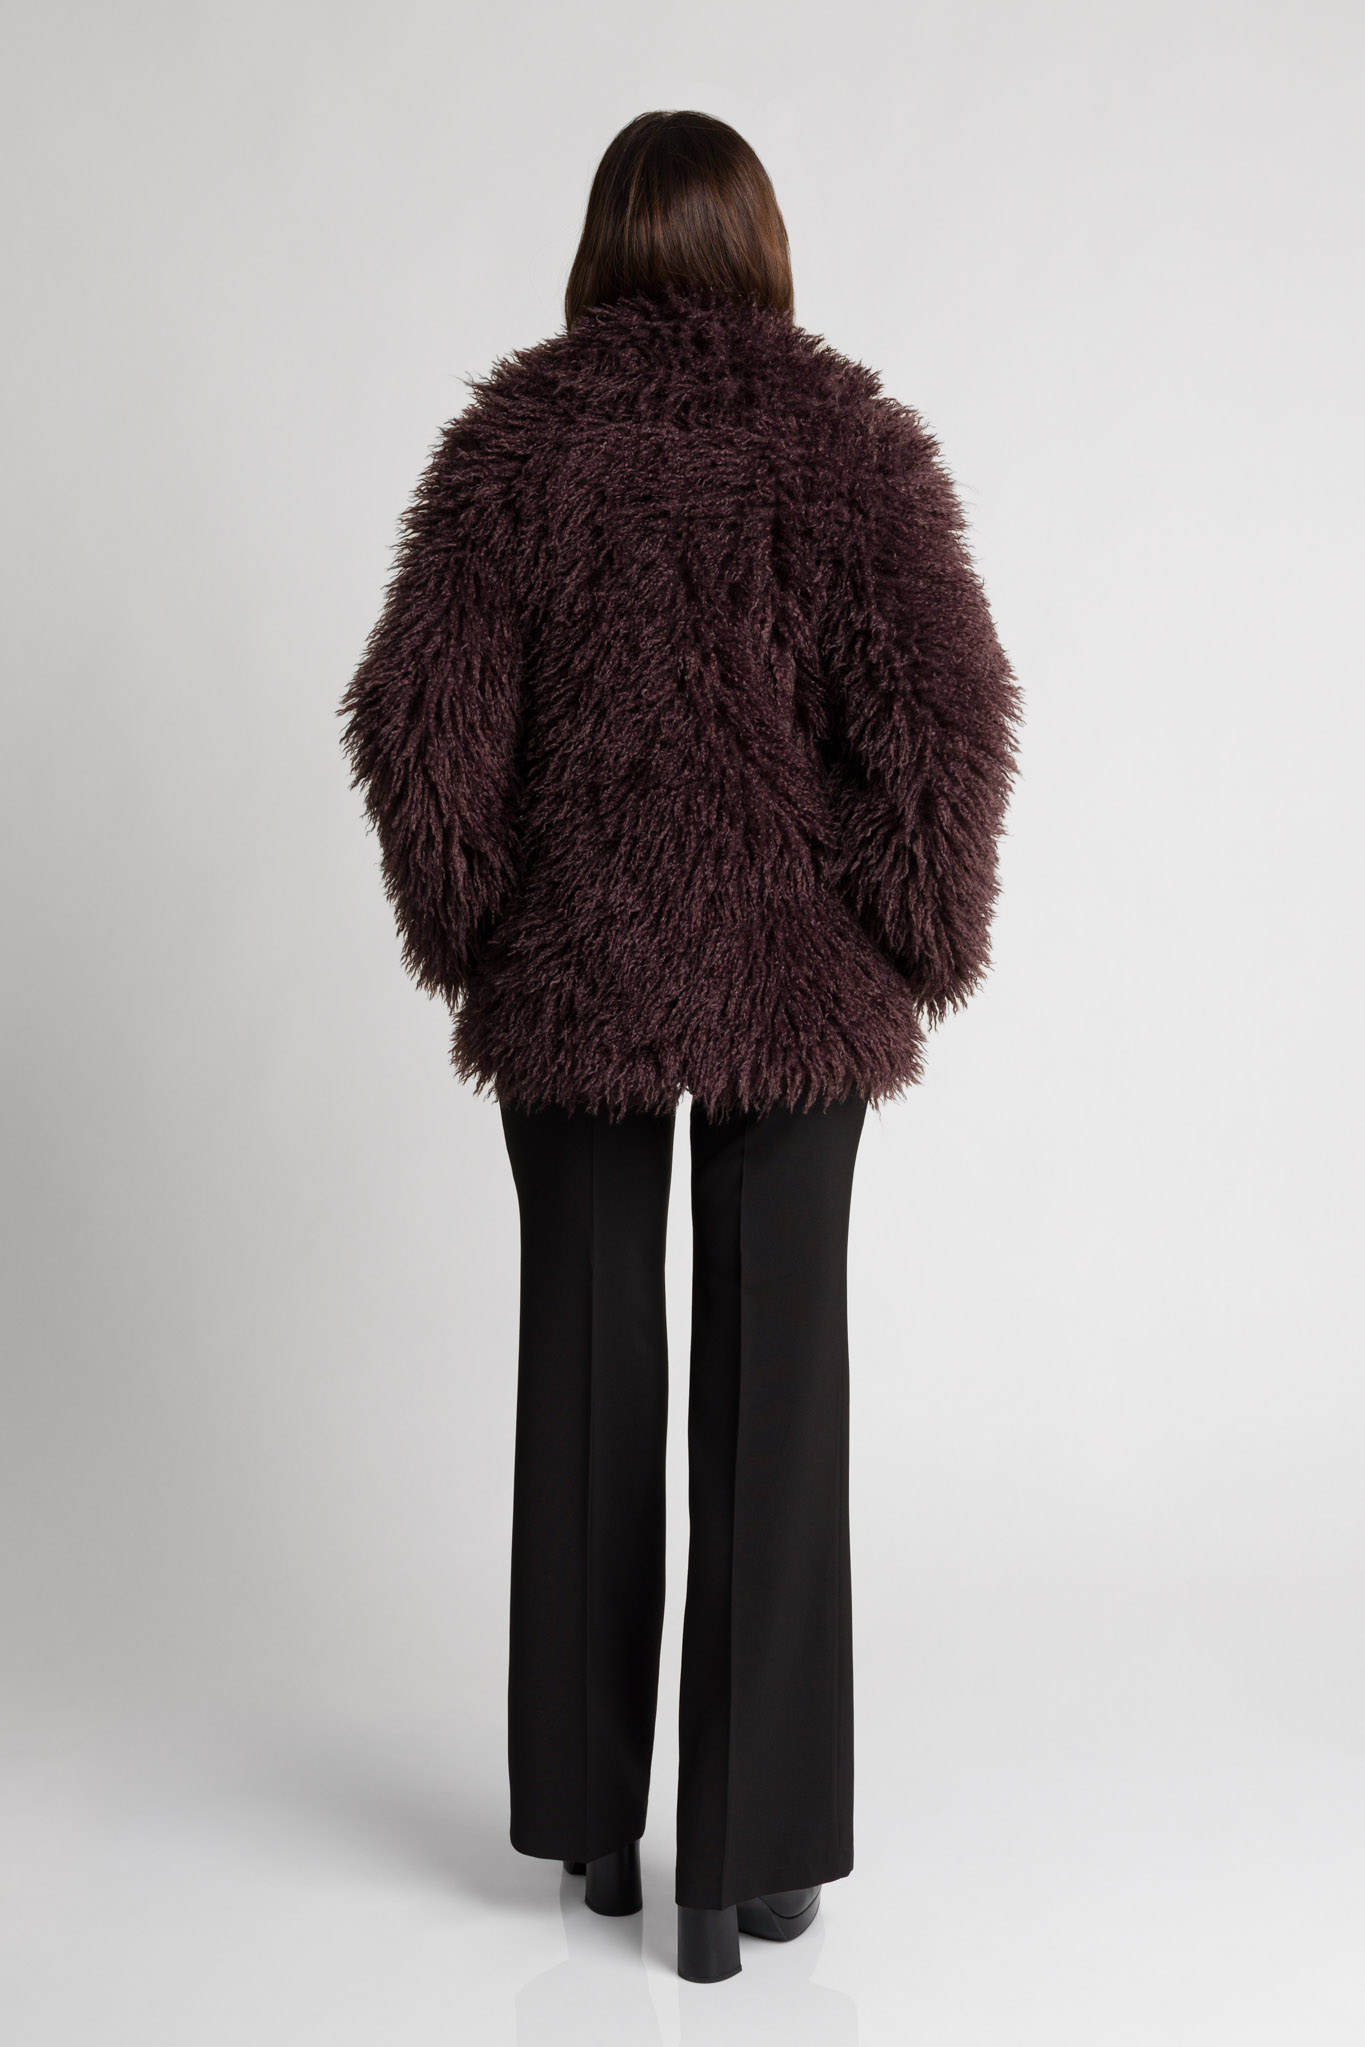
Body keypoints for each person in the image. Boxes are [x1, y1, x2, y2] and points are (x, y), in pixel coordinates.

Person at [340, 109, 1021, 1984]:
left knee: (583, 1364)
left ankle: (591, 1829)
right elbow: (946, 717)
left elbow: (414, 724)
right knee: (778, 1390)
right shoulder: (845, 439)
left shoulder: (513, 445)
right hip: (798, 986)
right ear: (761, 244)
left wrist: (475, 934)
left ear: (600, 246)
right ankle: (748, 1860)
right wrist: (909, 940)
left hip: (573, 978)